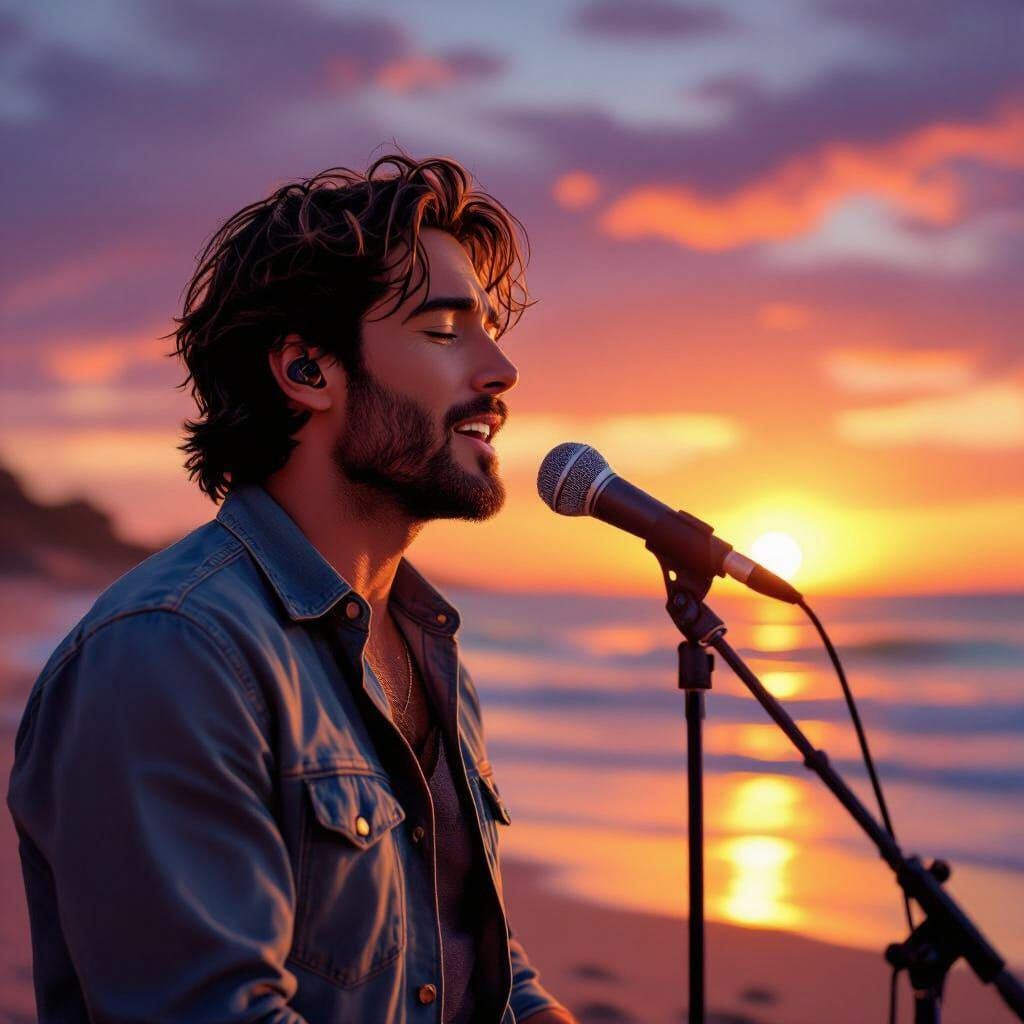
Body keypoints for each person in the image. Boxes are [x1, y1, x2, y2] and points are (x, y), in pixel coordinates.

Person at [7, 154, 577, 1023]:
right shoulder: (173, 651)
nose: (502, 371)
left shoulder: (425, 646)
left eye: (492, 330)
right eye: (444, 330)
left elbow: (470, 962)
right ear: (307, 371)